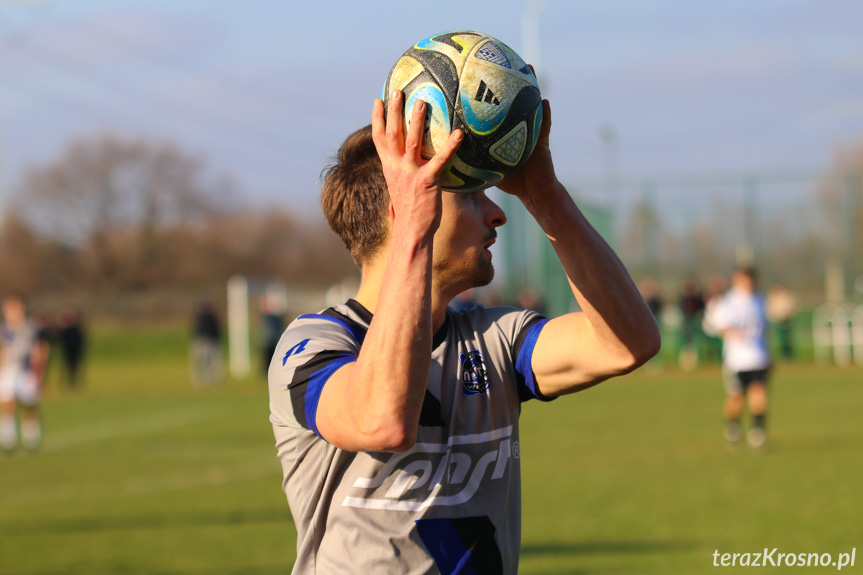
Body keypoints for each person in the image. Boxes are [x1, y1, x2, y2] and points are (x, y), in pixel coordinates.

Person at [268, 91, 660, 574]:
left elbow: (629, 344)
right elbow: (381, 422)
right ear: (406, 206)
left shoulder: (496, 337)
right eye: (471, 194)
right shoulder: (314, 345)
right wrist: (413, 230)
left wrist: (546, 195)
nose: (497, 213)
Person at [703, 267, 771, 450]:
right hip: (737, 360)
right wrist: (732, 333)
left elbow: (764, 328)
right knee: (737, 397)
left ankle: (758, 432)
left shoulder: (759, 300)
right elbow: (719, 327)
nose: (747, 284)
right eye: (743, 280)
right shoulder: (728, 303)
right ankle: (732, 426)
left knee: (759, 393)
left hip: (759, 357)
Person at [0, 296, 51, 453]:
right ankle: (8, 439)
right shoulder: (3, 330)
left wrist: (39, 374)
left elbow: (41, 350)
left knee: (29, 404)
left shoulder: (31, 328)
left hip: (26, 370)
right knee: (6, 404)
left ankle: (31, 437)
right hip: (7, 371)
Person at [190, 299, 223, 388]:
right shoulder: (200, 317)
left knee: (209, 362)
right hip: (202, 341)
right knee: (201, 362)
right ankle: (200, 380)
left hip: (209, 341)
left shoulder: (210, 317)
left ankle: (209, 379)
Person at [56, 308, 87, 389]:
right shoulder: (67, 329)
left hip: (75, 351)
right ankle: (70, 381)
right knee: (69, 367)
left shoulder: (75, 328)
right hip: (68, 351)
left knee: (74, 367)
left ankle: (73, 381)